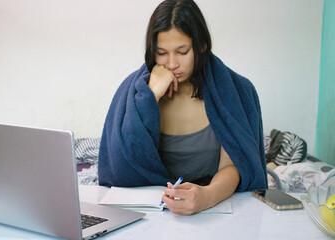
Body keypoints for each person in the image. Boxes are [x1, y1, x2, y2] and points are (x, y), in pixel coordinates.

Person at [98, 0, 267, 215]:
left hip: (215, 207)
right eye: (161, 52)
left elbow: (234, 165)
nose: (171, 64)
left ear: (202, 45)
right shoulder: (134, 92)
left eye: (182, 51)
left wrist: (207, 196)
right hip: (151, 213)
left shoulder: (235, 91)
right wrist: (150, 96)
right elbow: (123, 164)